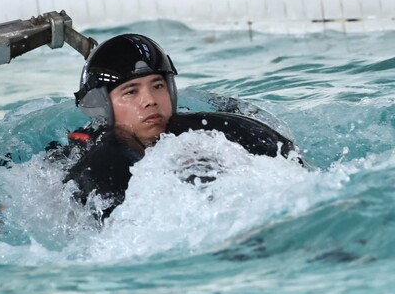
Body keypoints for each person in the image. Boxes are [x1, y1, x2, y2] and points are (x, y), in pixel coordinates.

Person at [49, 33, 302, 223]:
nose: (150, 100)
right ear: (101, 105)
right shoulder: (93, 161)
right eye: (131, 92)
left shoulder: (205, 130)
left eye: (158, 86)